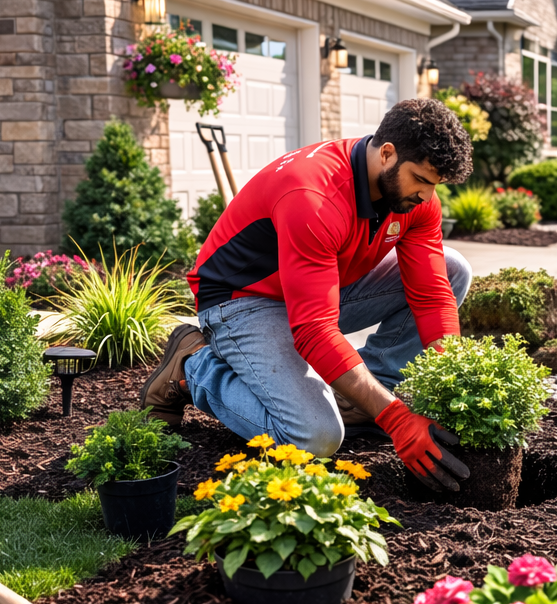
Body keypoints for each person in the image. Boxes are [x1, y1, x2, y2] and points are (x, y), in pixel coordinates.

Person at [141, 98, 476, 490]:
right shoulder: (312, 196)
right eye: (421, 179)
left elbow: (432, 294)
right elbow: (314, 331)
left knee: (453, 269)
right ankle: (193, 368)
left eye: (435, 185)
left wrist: (454, 380)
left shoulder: (411, 198)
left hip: (322, 288)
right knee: (315, 438)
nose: (427, 195)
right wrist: (397, 419)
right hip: (243, 300)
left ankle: (363, 399)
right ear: (387, 154)